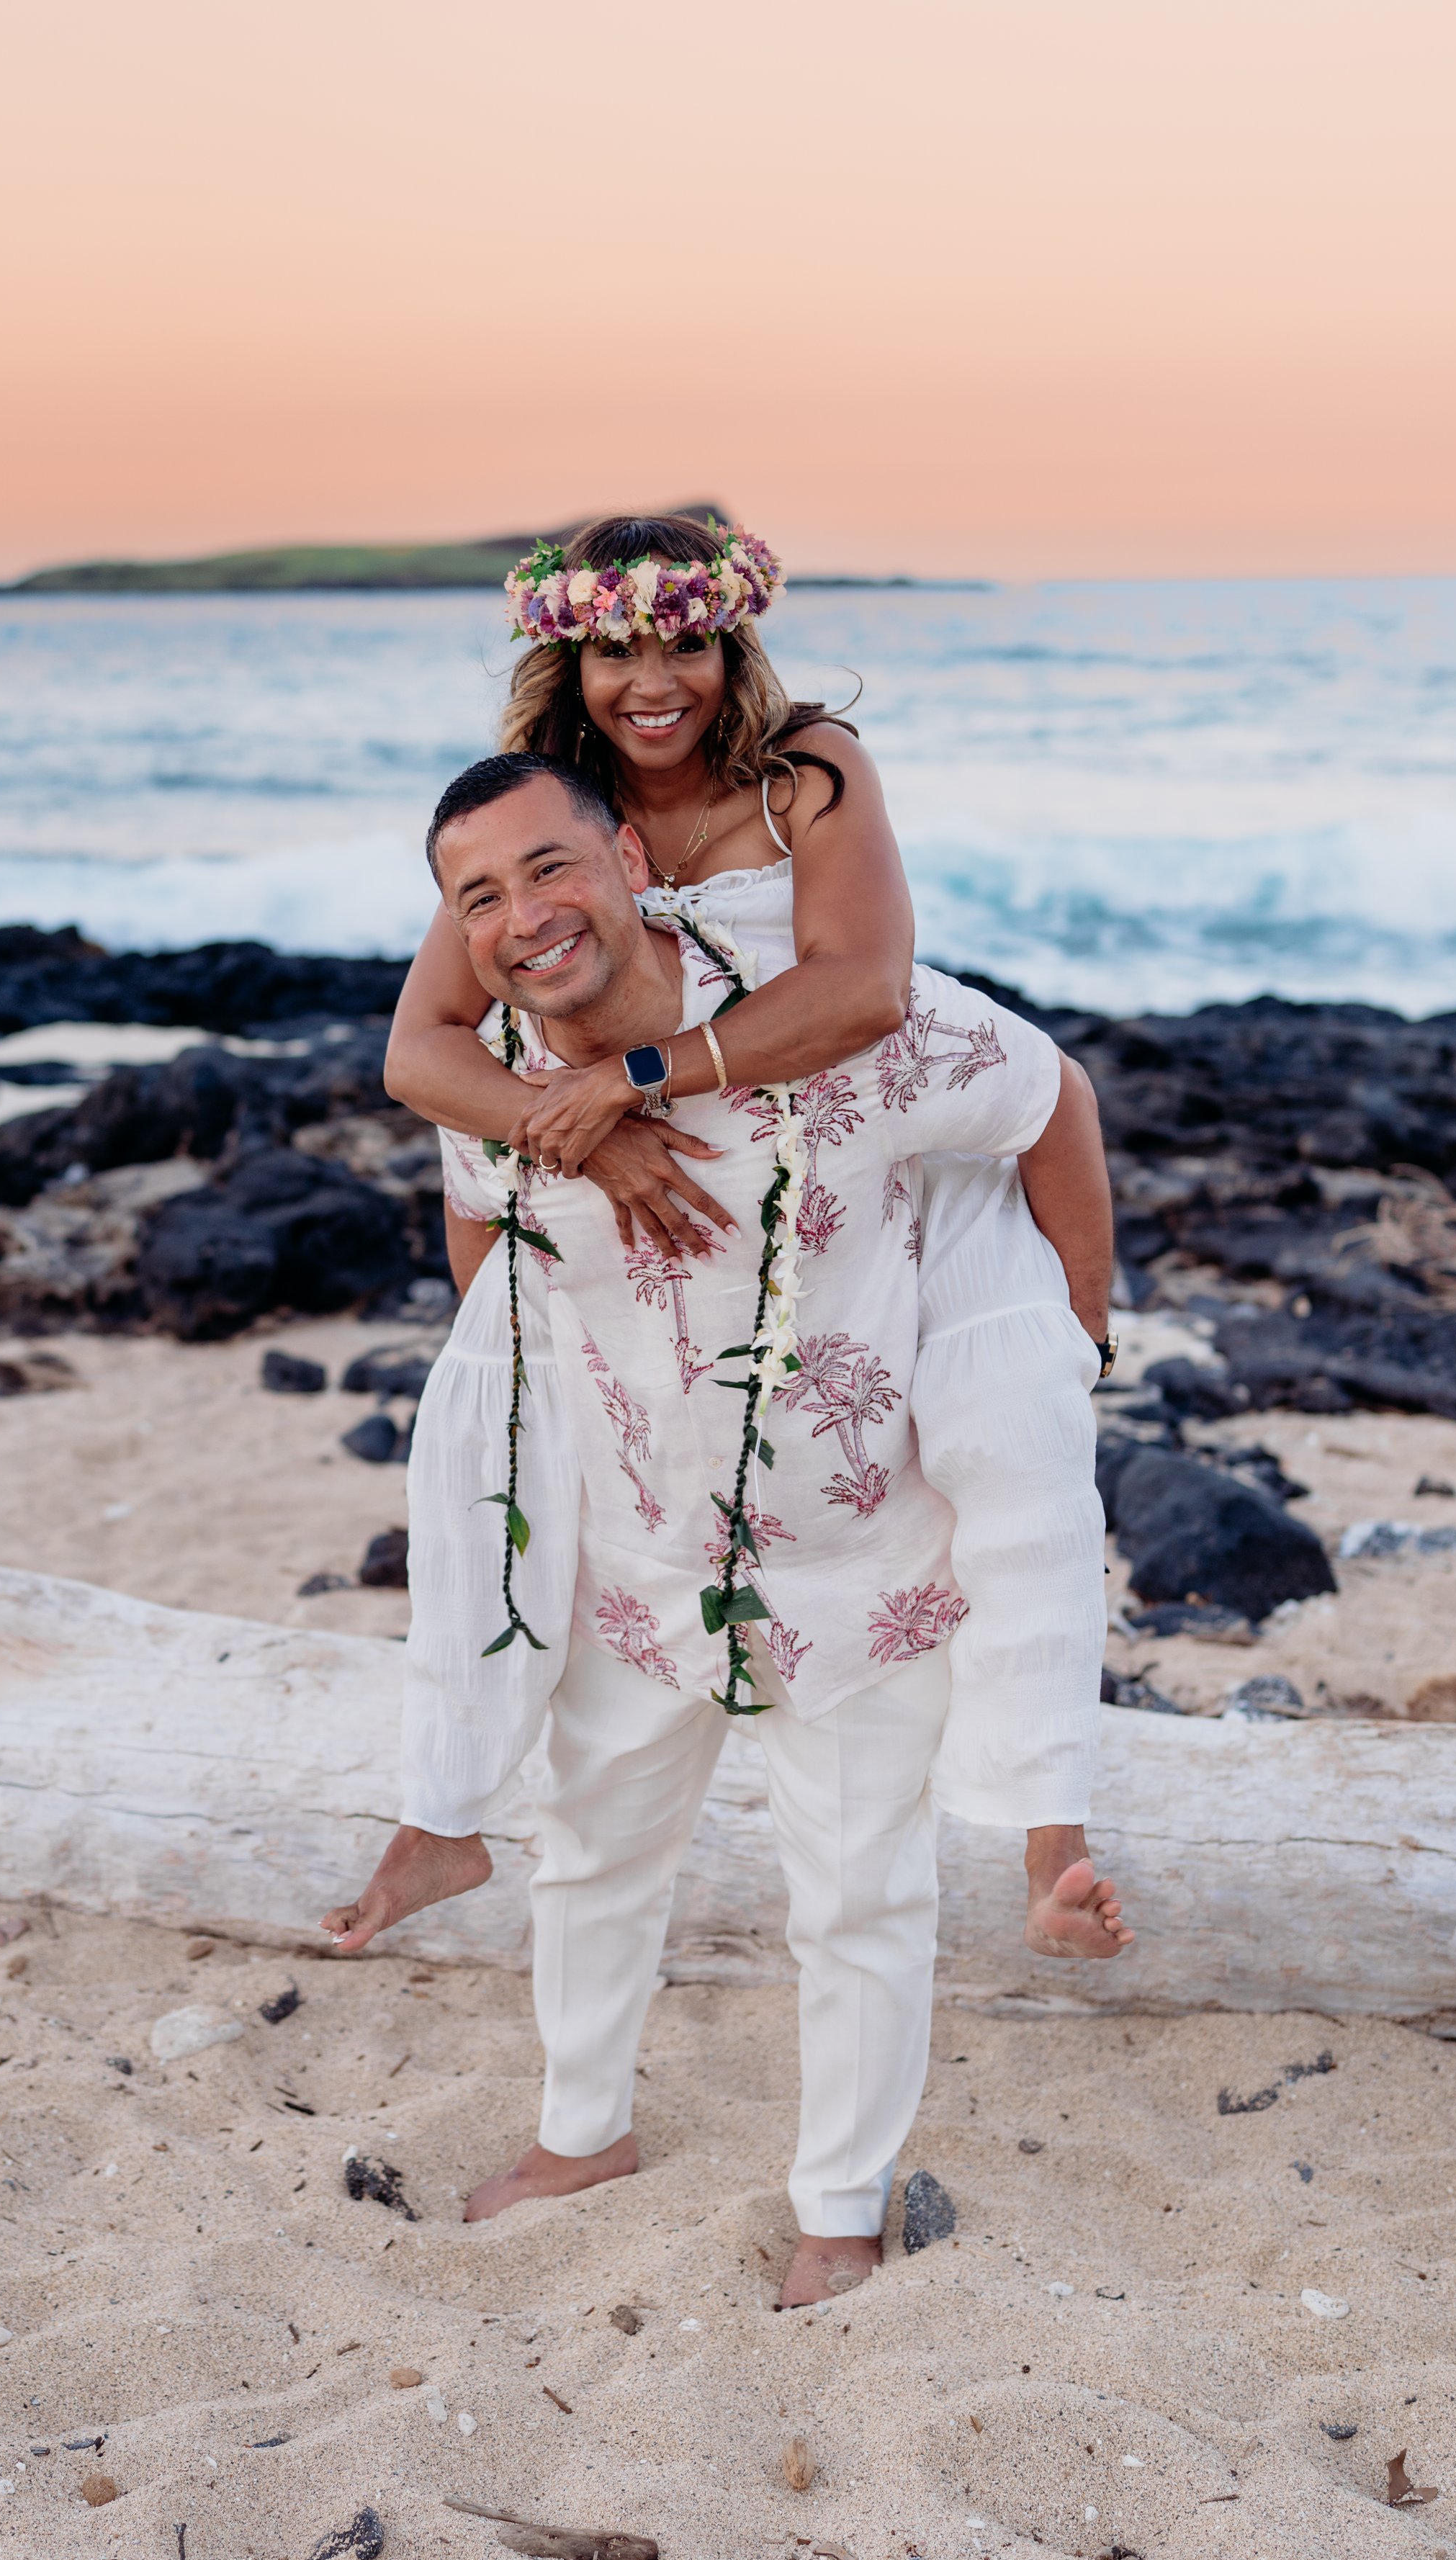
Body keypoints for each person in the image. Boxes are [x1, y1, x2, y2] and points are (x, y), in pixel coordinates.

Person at [335, 750, 1121, 2309]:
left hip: (860, 1573)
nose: (521, 917)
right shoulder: (493, 1078)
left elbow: (1054, 1102)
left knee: (858, 1906)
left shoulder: (835, 1036)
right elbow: (481, 1245)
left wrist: (1072, 1341)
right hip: (637, 1567)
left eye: (549, 867)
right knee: (589, 1860)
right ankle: (581, 2136)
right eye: (478, 897)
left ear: (631, 860)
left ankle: (838, 2207)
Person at [326, 518, 1127, 1983]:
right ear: (569, 657)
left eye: (683, 643)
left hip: (882, 1141)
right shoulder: (546, 813)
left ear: (729, 641)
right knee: (487, 1431)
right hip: (662, 1162)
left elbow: (865, 989)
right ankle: (443, 1810)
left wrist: (1081, 1321)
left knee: (1017, 1434)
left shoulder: (803, 767)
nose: (653, 681)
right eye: (617, 649)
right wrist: (582, 1135)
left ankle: (1046, 1837)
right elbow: (419, 1054)